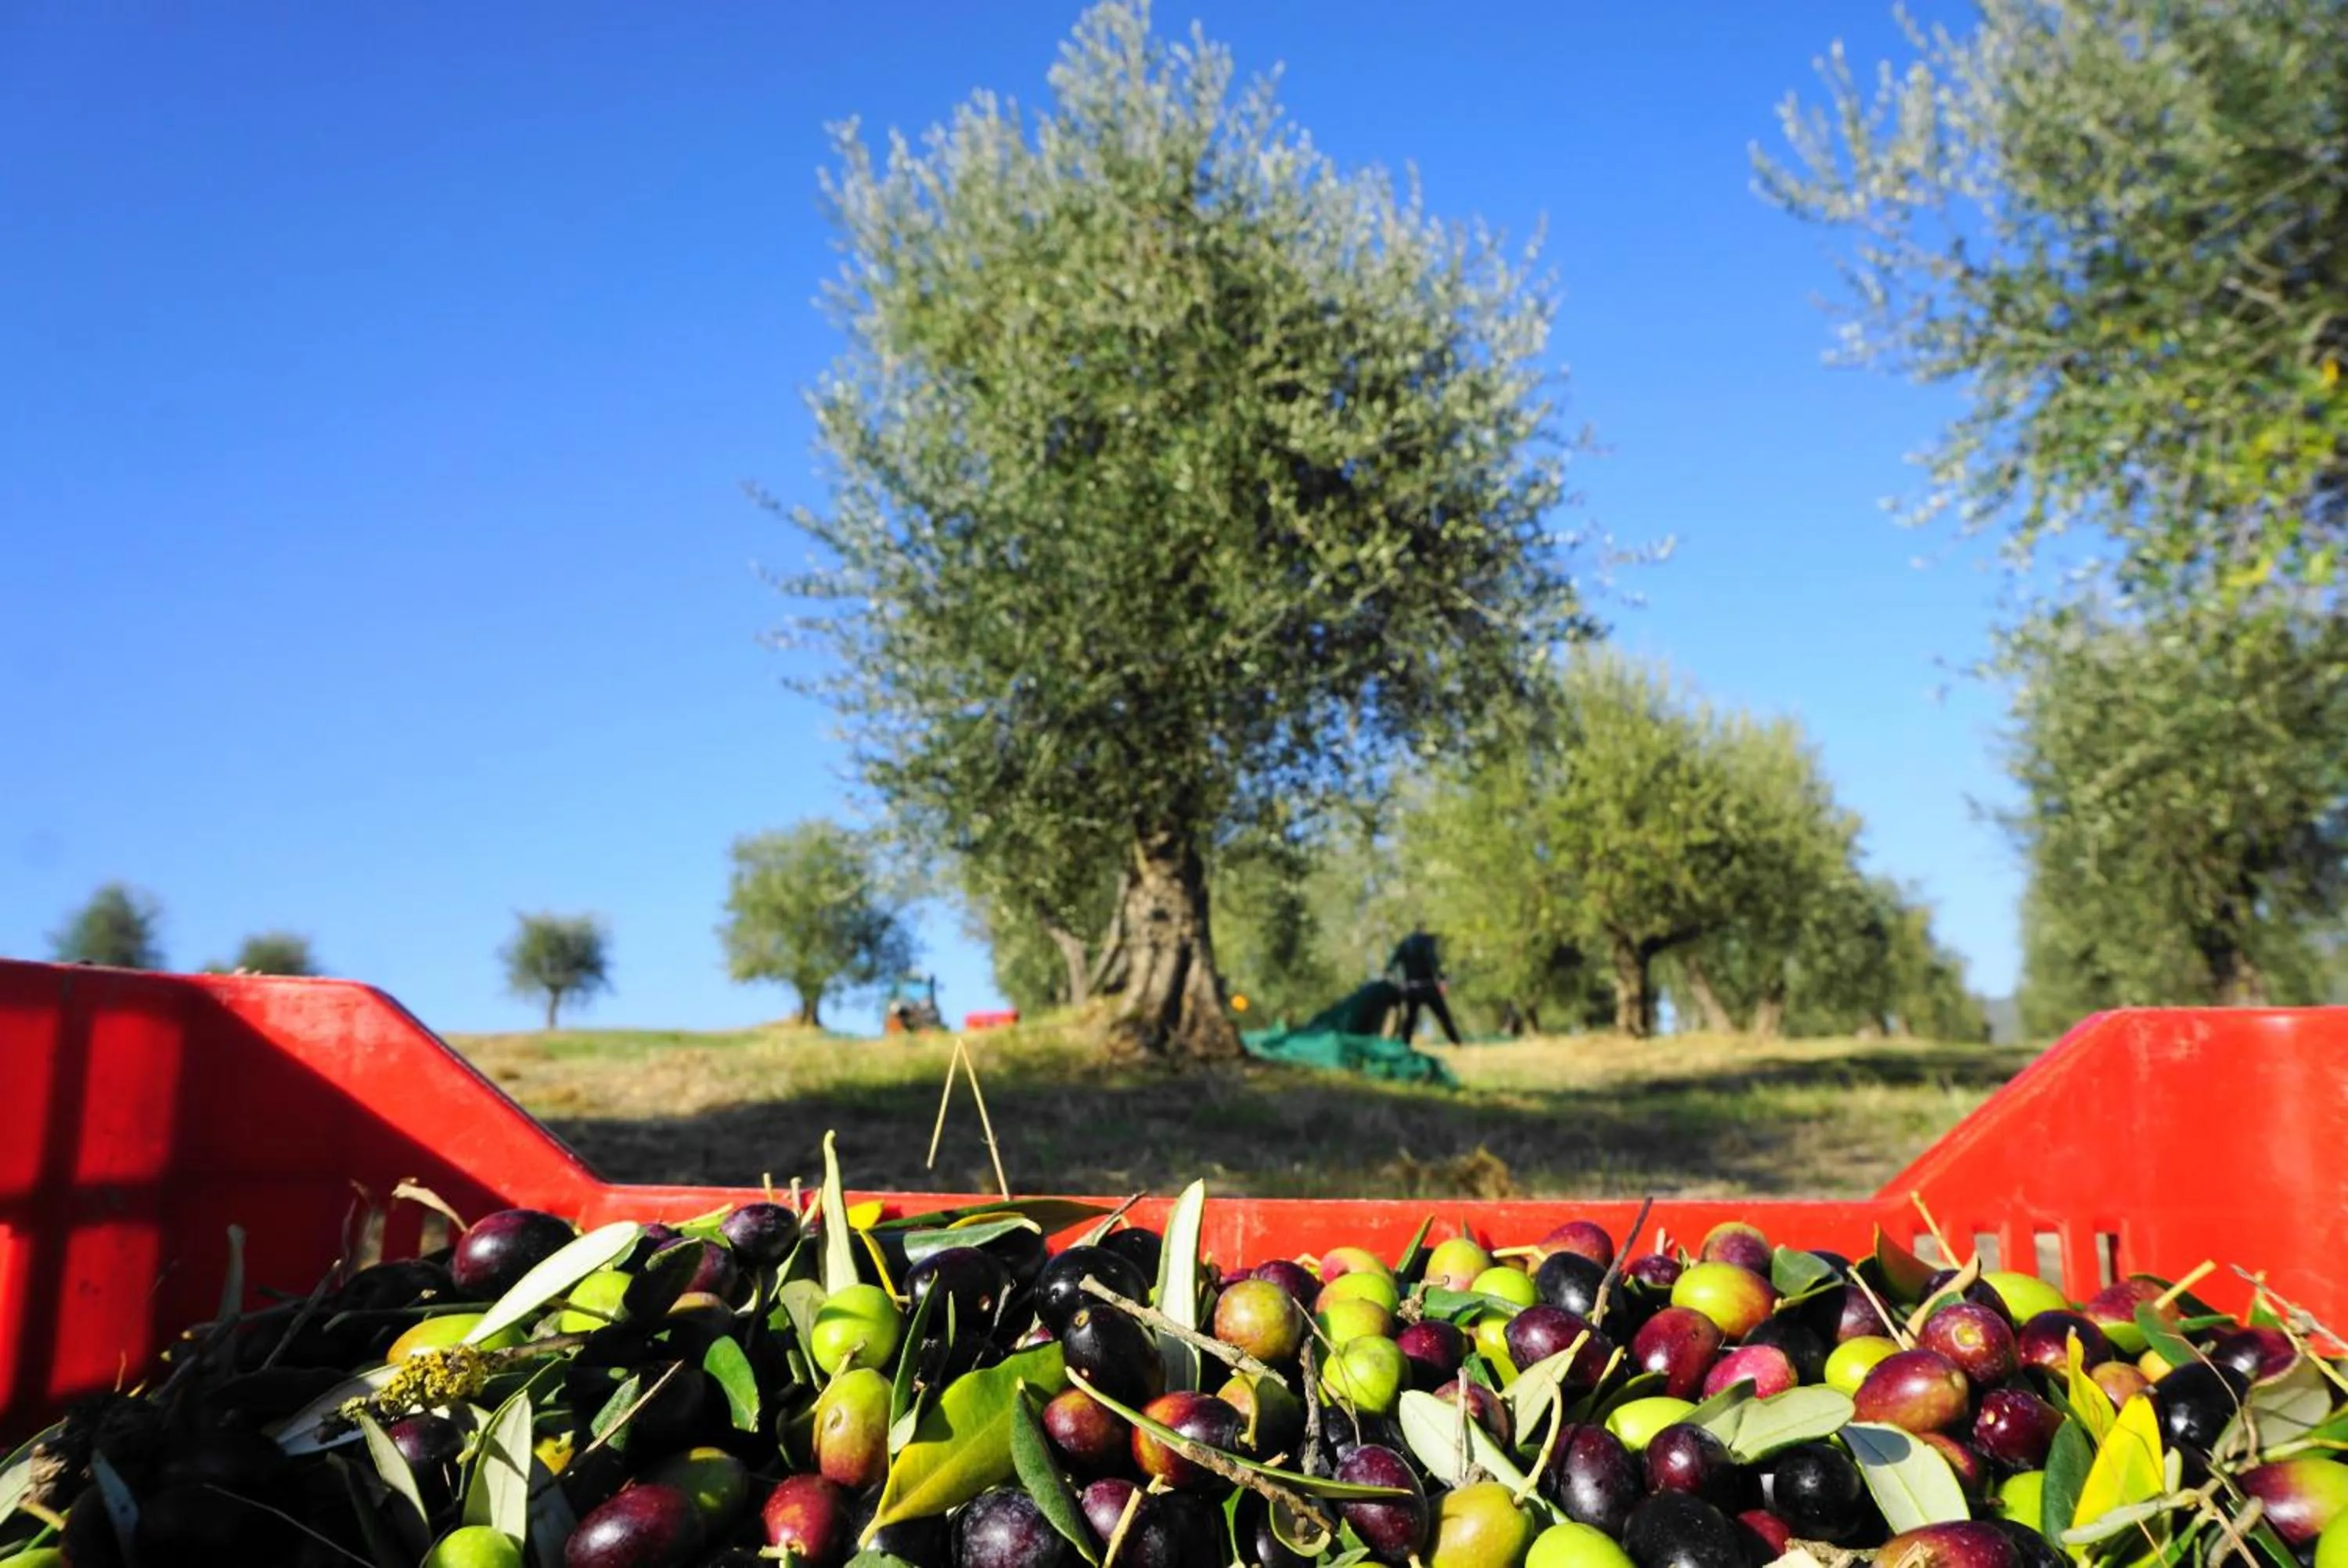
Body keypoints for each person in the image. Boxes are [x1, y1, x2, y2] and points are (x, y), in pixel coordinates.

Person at [1385, 926, 1462, 1046]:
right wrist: (1442, 977)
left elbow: (1392, 964)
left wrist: (1391, 979)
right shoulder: (1427, 942)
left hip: (1411, 988)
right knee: (1443, 1016)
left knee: (1410, 1019)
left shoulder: (1405, 944)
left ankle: (1405, 1044)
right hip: (1428, 986)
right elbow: (1433, 960)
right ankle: (1456, 1041)